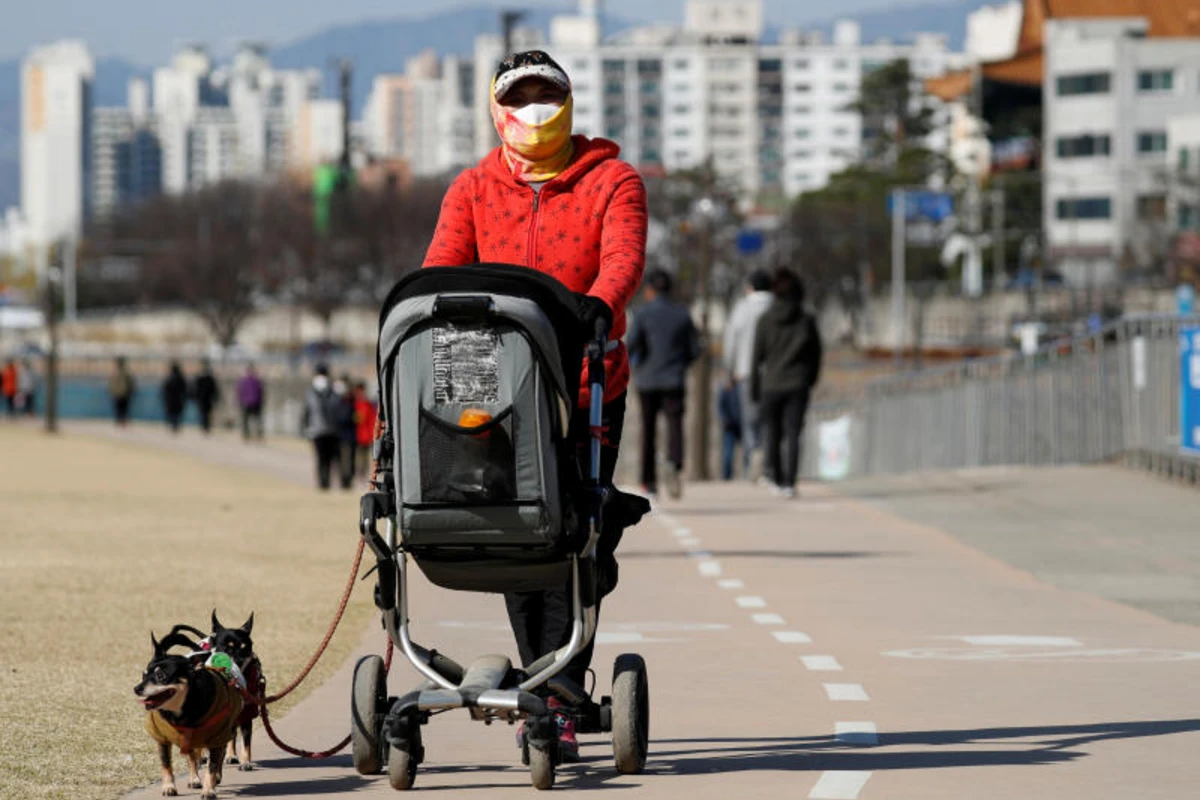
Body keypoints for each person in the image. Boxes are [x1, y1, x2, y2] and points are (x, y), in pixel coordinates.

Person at [422, 49, 647, 761]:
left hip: (584, 389)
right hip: (489, 399)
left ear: (571, 102)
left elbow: (624, 259)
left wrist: (598, 307)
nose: (536, 108)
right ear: (497, 108)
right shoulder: (472, 187)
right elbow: (441, 266)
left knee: (574, 532)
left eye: (549, 93)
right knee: (513, 537)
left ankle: (558, 685)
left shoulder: (613, 179)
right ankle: (543, 686)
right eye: (522, 96)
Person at [625, 269, 701, 500]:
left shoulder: (642, 313)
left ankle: (649, 482)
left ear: (649, 290)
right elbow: (695, 348)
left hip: (647, 379)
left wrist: (637, 364)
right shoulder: (682, 314)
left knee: (648, 430)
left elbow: (631, 345)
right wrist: (681, 363)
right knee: (675, 425)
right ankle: (675, 464)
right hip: (674, 378)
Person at [750, 269, 823, 499]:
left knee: (772, 432)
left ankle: (776, 477)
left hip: (771, 384)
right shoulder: (806, 320)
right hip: (797, 384)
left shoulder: (765, 320)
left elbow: (756, 357)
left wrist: (754, 388)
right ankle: (790, 482)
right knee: (793, 433)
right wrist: (810, 379)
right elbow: (816, 354)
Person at [723, 269, 774, 480]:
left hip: (745, 372)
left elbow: (731, 341)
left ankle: (754, 455)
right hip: (773, 373)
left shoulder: (741, 309)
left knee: (750, 420)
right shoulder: (776, 306)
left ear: (750, 287)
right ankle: (770, 465)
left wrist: (729, 371)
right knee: (771, 420)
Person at [302, 364, 343, 491]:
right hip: (317, 430)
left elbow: (338, 410)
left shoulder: (333, 391)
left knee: (330, 458)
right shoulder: (311, 393)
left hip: (332, 430)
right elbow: (306, 412)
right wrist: (305, 428)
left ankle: (328, 481)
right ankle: (322, 482)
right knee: (321, 458)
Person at [333, 373, 357, 489]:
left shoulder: (351, 399)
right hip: (339, 435)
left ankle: (347, 480)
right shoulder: (335, 398)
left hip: (349, 435)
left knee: (349, 460)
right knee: (342, 460)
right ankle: (344, 481)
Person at [718, 377, 742, 481]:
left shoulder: (738, 389)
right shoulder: (726, 390)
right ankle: (727, 475)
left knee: (733, 451)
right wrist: (724, 419)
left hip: (738, 423)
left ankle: (746, 474)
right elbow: (720, 407)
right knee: (728, 452)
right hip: (730, 424)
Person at [352, 381, 377, 477]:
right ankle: (360, 472)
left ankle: (362, 473)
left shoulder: (365, 403)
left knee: (363, 456)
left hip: (364, 435)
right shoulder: (360, 402)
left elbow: (363, 418)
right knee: (360, 456)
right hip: (360, 434)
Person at [236, 364, 265, 442]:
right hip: (250, 403)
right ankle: (249, 434)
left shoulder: (252, 381)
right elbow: (240, 392)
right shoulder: (250, 381)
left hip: (252, 403)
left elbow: (260, 392)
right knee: (250, 420)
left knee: (254, 420)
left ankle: (255, 434)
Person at [192, 359, 220, 435]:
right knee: (204, 413)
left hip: (206, 399)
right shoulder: (201, 378)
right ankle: (205, 427)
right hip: (203, 399)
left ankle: (206, 427)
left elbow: (214, 389)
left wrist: (215, 397)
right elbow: (196, 389)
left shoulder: (208, 378)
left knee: (206, 413)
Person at [161, 362, 188, 434]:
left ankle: (174, 426)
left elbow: (165, 390)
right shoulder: (181, 378)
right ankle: (175, 426)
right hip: (178, 399)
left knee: (172, 413)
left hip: (171, 400)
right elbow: (185, 390)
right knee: (177, 413)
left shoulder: (169, 378)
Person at [110, 357, 136, 426]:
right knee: (121, 409)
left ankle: (122, 421)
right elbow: (112, 383)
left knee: (122, 409)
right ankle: (120, 421)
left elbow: (130, 383)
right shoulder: (118, 373)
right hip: (121, 393)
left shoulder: (123, 373)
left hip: (123, 393)